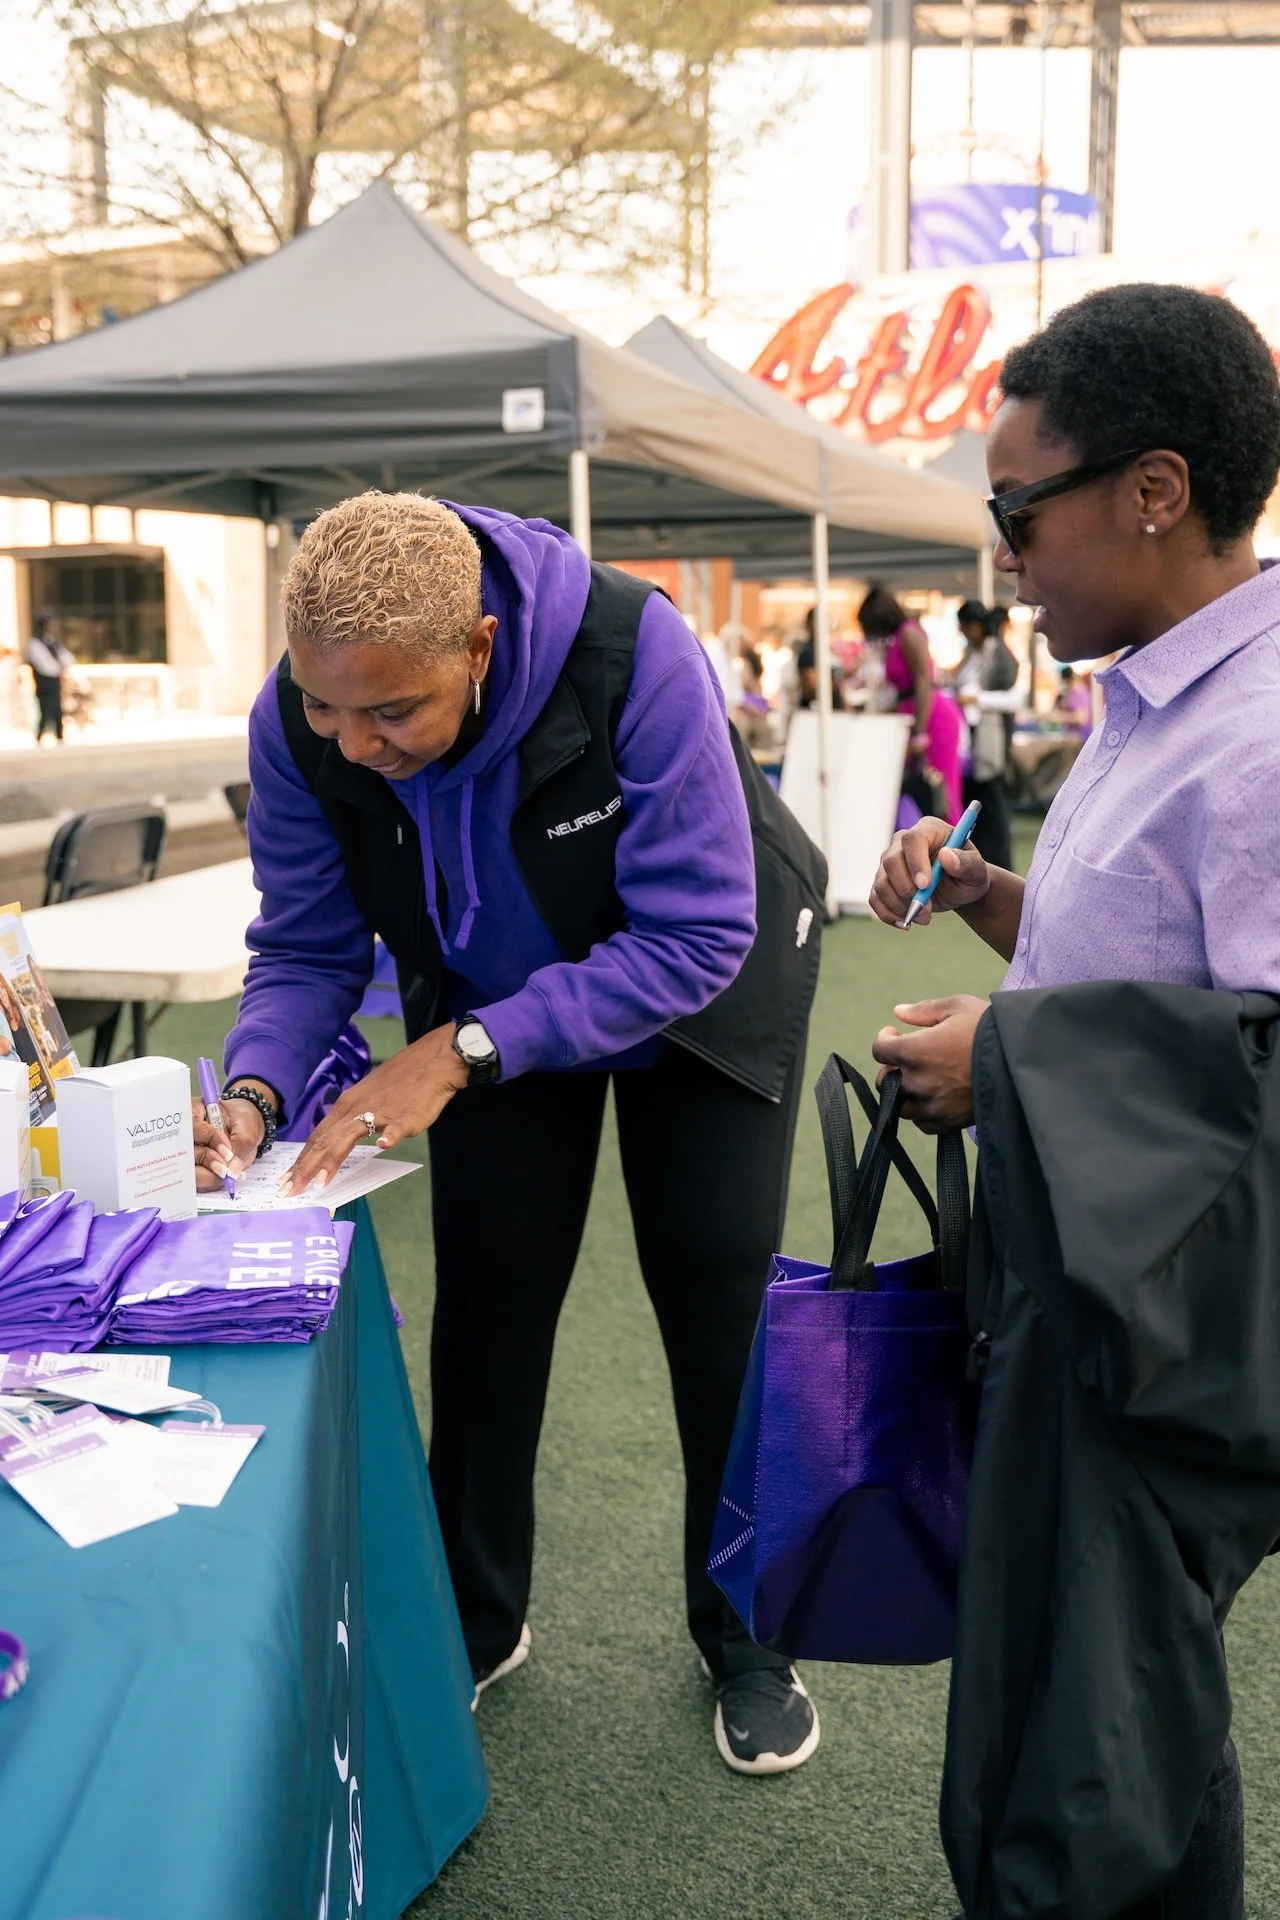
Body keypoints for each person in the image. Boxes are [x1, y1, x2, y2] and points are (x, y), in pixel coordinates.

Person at [193, 491, 827, 1776]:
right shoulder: (301, 721)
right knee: (487, 1295)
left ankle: (749, 1635)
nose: (353, 743)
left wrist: (469, 1048)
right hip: (486, 998)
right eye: (327, 707)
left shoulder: (630, 649)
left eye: (392, 713)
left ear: (478, 649)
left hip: (701, 977)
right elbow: (306, 947)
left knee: (714, 1296)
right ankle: (474, 1621)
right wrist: (253, 1096)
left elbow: (698, 932)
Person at [868, 281, 1280, 1918]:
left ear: (1153, 492)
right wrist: (994, 908)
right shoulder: (1157, 692)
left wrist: (1011, 1064)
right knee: (1132, 1731)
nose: (1005, 556)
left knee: (1069, 1779)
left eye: (1016, 510)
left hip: (1159, 1338)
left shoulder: (1258, 746)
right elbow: (1158, 986)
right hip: (1086, 1288)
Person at [859, 585, 964, 821]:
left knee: (940, 790)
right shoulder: (896, 639)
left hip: (933, 718)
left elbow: (923, 681)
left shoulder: (908, 633)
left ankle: (956, 849)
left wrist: (919, 731)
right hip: (917, 716)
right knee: (924, 791)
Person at [951, 599, 1019, 871]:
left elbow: (1013, 700)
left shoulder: (1000, 656)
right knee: (976, 803)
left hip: (989, 740)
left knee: (991, 802)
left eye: (966, 626)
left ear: (976, 627)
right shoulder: (973, 653)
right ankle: (981, 861)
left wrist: (975, 699)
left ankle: (1000, 864)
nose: (964, 632)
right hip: (970, 740)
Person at [23, 615, 74, 744]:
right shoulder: (35, 644)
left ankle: (59, 736)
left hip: (54, 681)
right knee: (46, 709)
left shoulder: (53, 643)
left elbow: (68, 658)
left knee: (57, 708)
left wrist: (61, 666)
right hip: (44, 682)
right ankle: (40, 736)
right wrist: (58, 667)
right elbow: (44, 666)